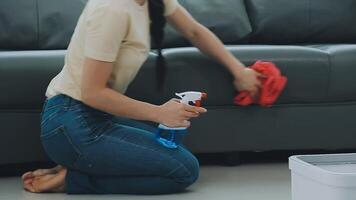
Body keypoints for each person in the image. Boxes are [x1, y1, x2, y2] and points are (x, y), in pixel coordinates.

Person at [22, 0, 262, 194]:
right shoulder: (112, 9)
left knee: (169, 150)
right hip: (70, 122)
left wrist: (239, 70)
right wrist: (160, 112)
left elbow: (194, 31)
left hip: (94, 117)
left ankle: (74, 165)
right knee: (184, 171)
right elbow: (92, 92)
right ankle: (73, 180)